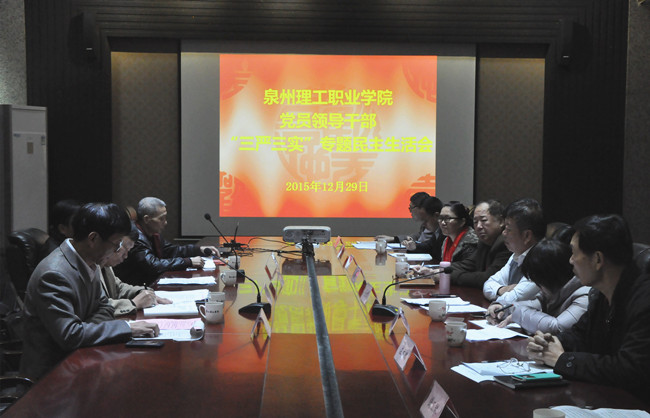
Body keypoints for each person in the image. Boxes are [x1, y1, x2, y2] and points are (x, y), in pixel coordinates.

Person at [20, 203, 160, 380]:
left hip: (82, 358)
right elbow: (71, 335)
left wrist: (85, 327)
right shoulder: (54, 274)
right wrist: (126, 327)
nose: (117, 251)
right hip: (52, 376)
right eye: (116, 244)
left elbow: (105, 307)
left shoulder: (89, 261)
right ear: (93, 239)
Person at [526, 214, 650, 400]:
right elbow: (580, 335)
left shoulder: (644, 300)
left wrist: (562, 360)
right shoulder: (601, 294)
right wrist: (548, 343)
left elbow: (629, 369)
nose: (570, 260)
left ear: (597, 260)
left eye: (574, 253)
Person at [492, 237, 590, 334]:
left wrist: (517, 314)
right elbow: (533, 304)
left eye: (539, 282)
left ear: (550, 277)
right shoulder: (554, 290)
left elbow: (557, 328)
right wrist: (503, 308)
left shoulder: (585, 295)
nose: (539, 288)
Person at [114, 197, 219, 286]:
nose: (165, 222)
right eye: (161, 219)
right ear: (146, 219)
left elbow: (171, 250)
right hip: (136, 288)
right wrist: (188, 262)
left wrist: (199, 249)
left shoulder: (153, 234)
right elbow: (153, 265)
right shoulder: (136, 238)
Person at [483, 198, 545, 316]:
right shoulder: (517, 255)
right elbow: (488, 284)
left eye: (508, 229)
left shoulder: (541, 261)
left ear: (527, 236)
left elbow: (513, 299)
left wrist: (502, 295)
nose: (503, 233)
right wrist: (502, 289)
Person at [100, 224, 172, 316]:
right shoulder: (90, 265)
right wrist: (133, 303)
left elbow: (118, 287)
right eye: (122, 249)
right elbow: (97, 308)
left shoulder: (106, 265)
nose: (126, 256)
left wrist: (142, 292)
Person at [447, 200, 511, 287]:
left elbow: (488, 278)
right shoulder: (483, 242)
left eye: (484, 220)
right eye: (475, 222)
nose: (478, 226)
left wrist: (448, 276)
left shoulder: (507, 244)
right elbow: (467, 264)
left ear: (501, 221)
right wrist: (439, 270)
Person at [402, 195, 445, 264]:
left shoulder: (446, 233)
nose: (423, 224)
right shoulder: (438, 232)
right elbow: (428, 246)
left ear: (436, 216)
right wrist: (414, 246)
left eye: (426, 221)